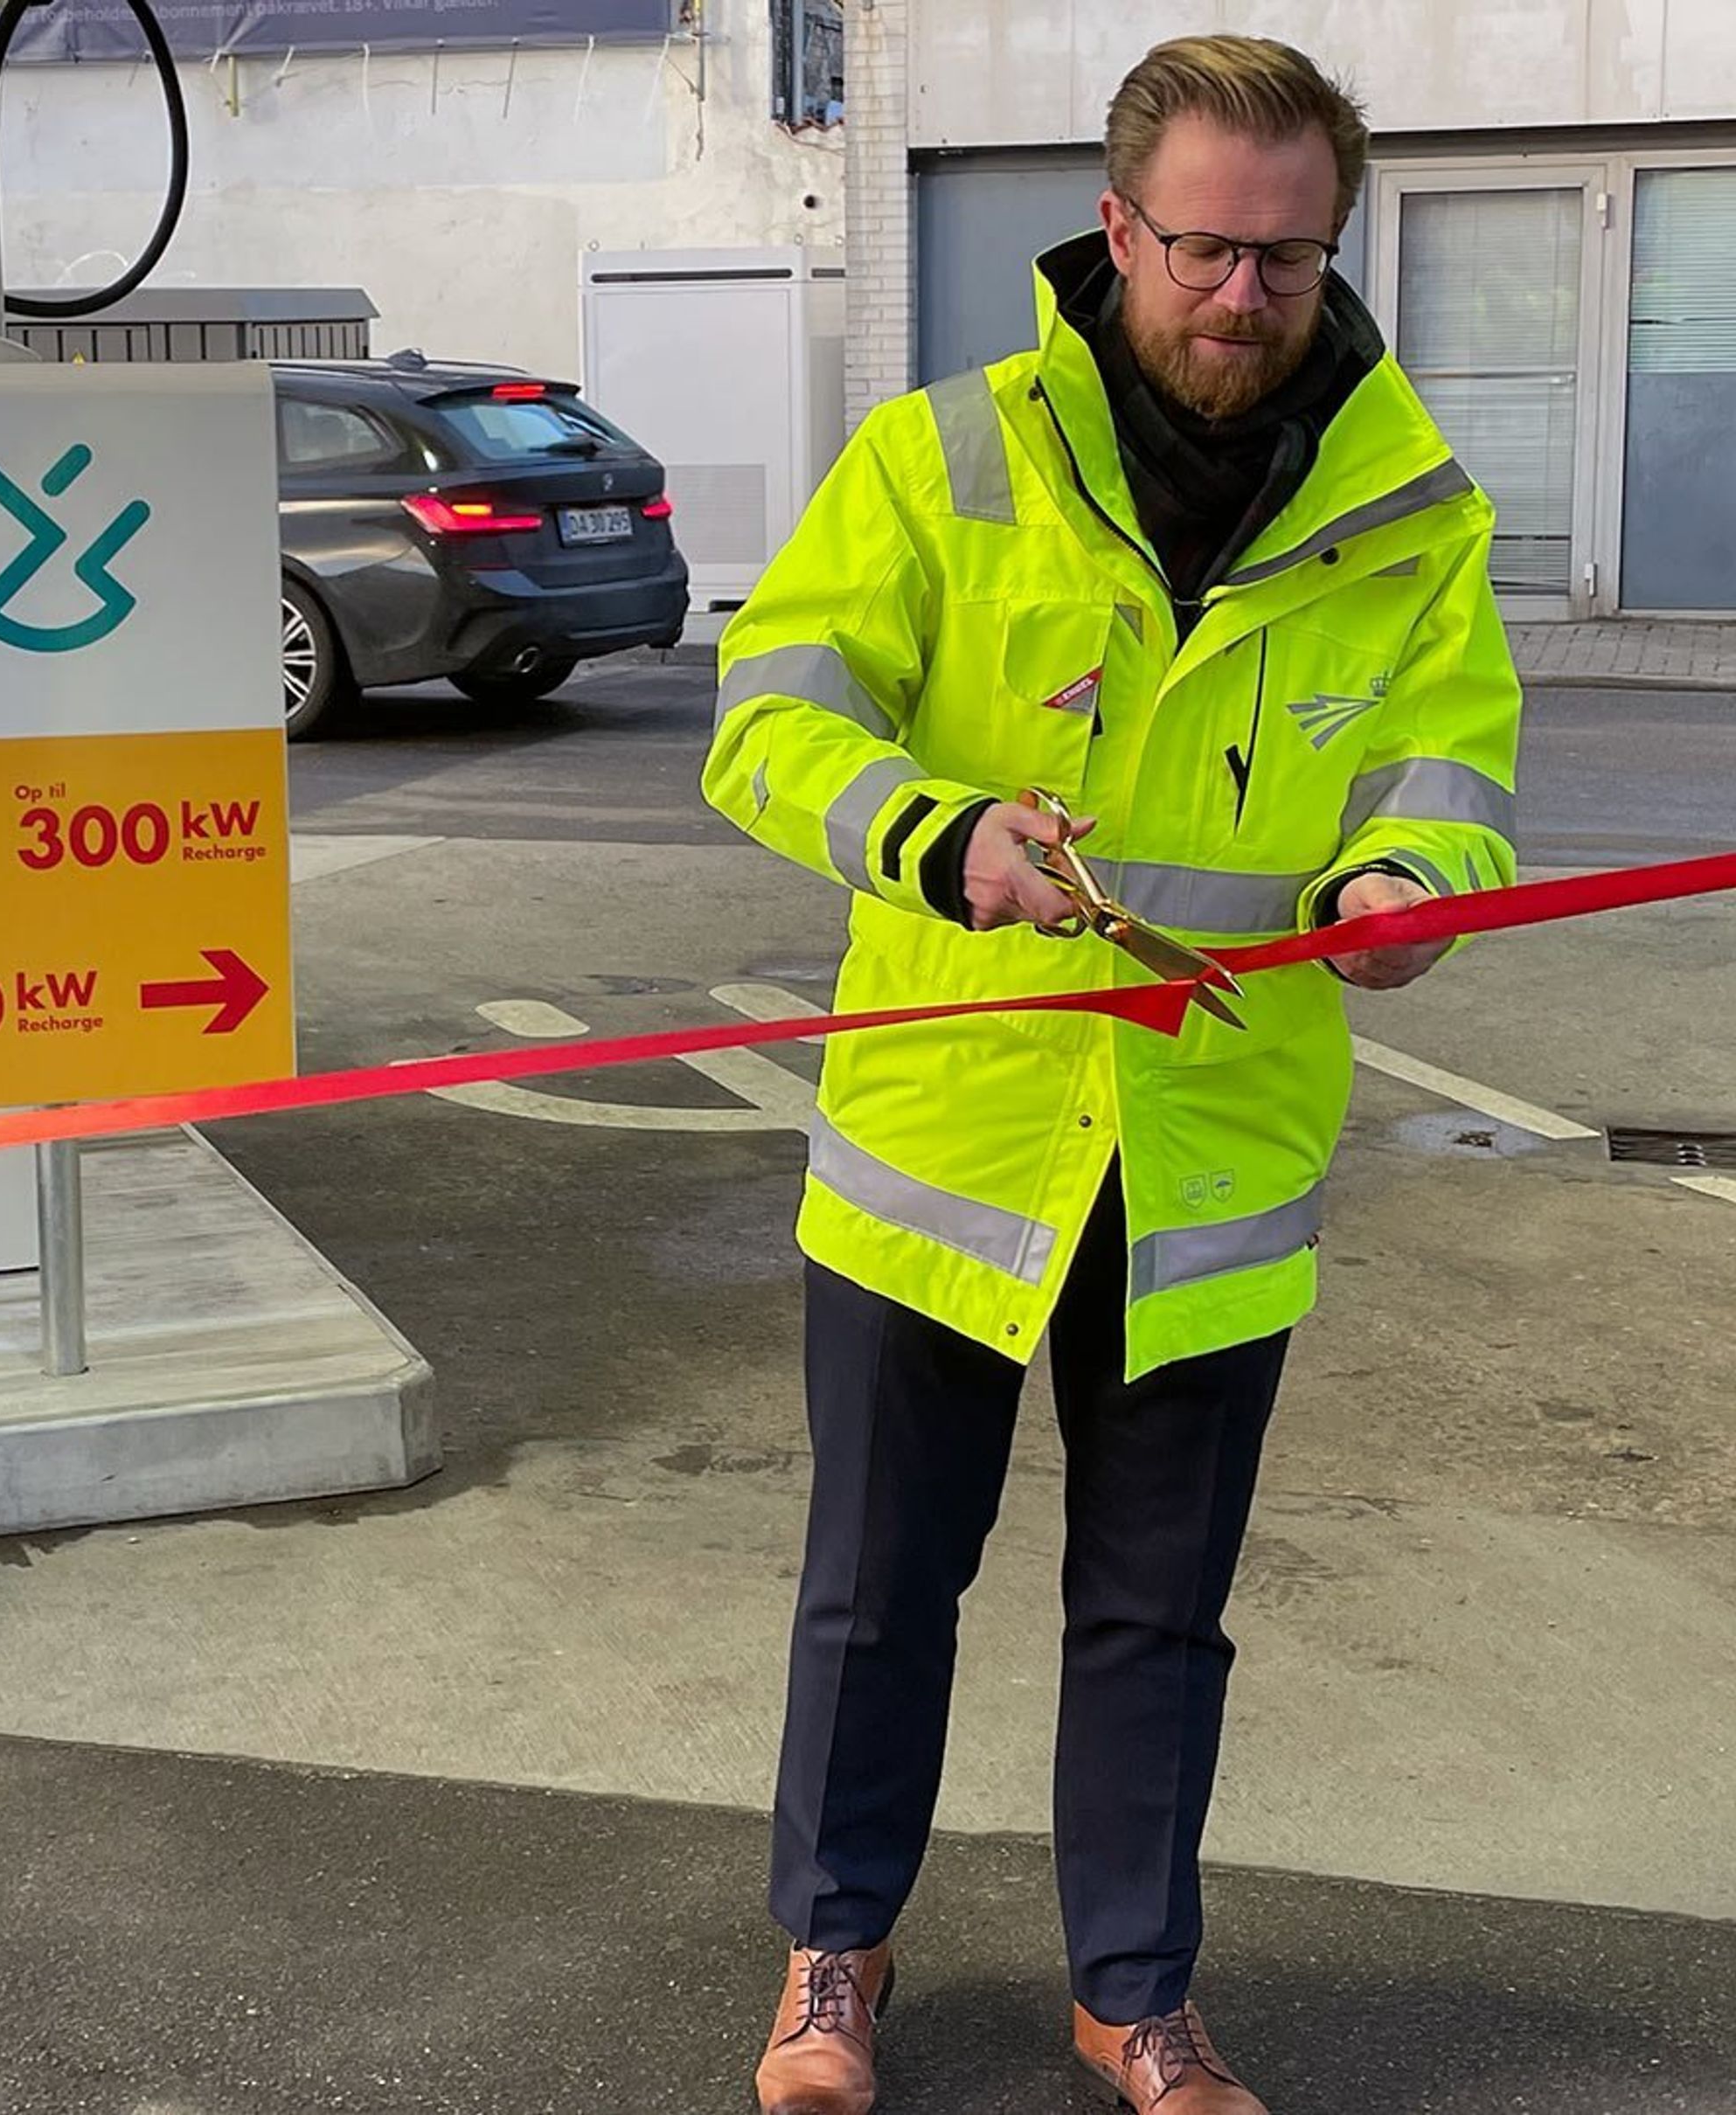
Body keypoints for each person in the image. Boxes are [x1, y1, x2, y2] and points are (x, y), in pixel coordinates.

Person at [704, 34, 1520, 2115]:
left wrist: (1415, 870)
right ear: (1113, 220)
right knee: (880, 1597)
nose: (1239, 296)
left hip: (1204, 1155)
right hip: (943, 1138)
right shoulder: (935, 458)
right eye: (1200, 251)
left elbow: (1453, 761)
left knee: (1160, 1619)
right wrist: (934, 831)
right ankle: (830, 1958)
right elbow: (769, 719)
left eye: (1284, 256)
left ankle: (1132, 1992)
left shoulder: (1408, 512)